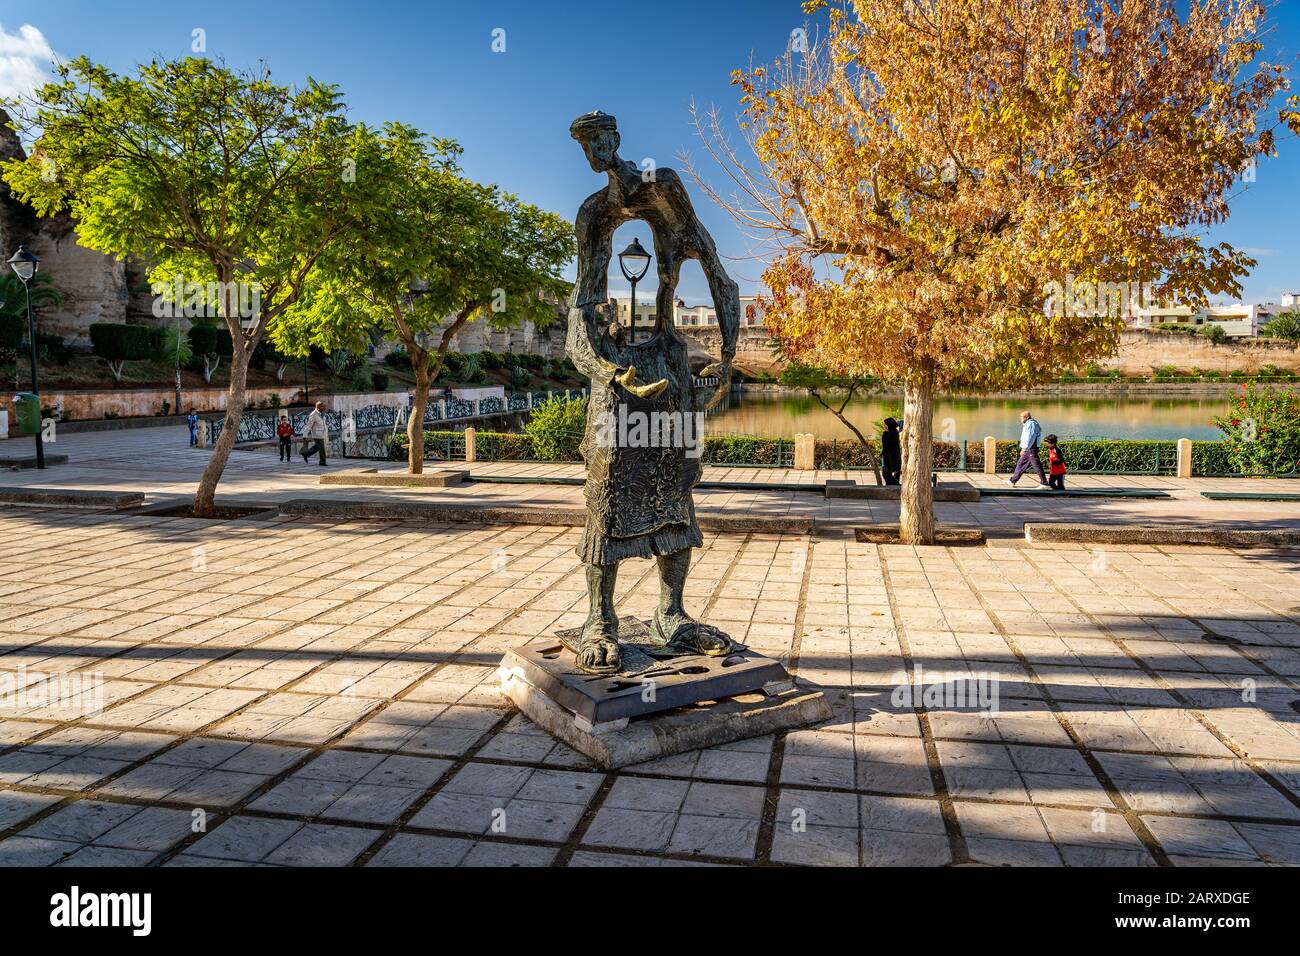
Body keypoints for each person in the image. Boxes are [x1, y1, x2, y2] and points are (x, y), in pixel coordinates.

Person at [1007, 410, 1049, 488]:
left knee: (1037, 465)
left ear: (1027, 417)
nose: (1020, 418)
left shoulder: (1031, 424)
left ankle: (1044, 483)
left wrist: (1024, 448)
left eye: (1021, 417)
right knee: (1020, 464)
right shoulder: (1028, 423)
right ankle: (1012, 481)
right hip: (1029, 449)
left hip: (1030, 449)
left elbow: (1030, 438)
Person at [301, 401, 328, 466]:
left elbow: (322, 423)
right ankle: (322, 462)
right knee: (321, 448)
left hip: (322, 433)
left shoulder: (322, 413)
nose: (325, 408)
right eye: (323, 406)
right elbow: (308, 425)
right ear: (319, 407)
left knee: (317, 447)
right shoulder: (313, 415)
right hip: (317, 434)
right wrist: (305, 435)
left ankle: (306, 454)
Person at [881, 417, 901, 485]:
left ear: (888, 425)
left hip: (889, 459)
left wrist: (884, 434)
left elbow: (886, 445)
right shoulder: (895, 432)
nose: (884, 426)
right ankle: (895, 486)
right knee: (889, 476)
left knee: (886, 475)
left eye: (885, 424)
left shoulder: (888, 434)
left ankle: (894, 487)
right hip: (893, 458)